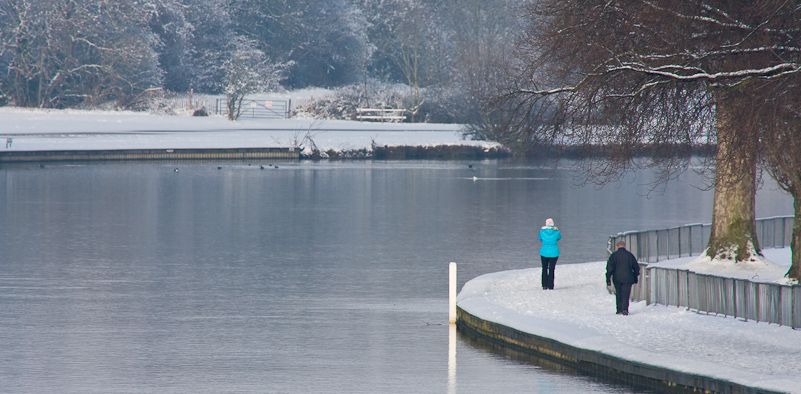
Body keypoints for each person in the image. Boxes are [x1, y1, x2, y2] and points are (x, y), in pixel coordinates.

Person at [606, 241, 640, 315]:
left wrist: (608, 278)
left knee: (618, 293)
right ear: (625, 246)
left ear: (617, 246)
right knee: (626, 294)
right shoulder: (630, 255)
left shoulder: (614, 256)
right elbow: (636, 267)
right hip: (628, 278)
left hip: (617, 278)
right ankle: (625, 309)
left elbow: (609, 268)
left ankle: (619, 309)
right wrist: (635, 276)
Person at [538, 218, 561, 290]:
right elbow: (559, 238)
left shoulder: (542, 232)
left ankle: (544, 285)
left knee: (544, 268)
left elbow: (540, 239)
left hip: (544, 252)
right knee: (551, 269)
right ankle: (551, 286)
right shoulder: (556, 232)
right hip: (554, 253)